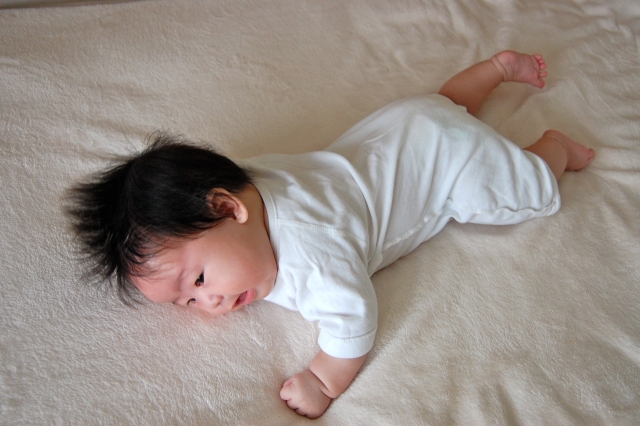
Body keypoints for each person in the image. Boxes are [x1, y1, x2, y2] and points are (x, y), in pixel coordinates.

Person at [64, 51, 595, 418]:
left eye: (199, 279)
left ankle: (551, 152)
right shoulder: (249, 179)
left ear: (227, 208)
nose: (210, 303)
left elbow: (355, 316)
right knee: (445, 108)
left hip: (449, 165)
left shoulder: (311, 258)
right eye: (187, 301)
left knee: (513, 196)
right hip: (403, 124)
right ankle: (494, 70)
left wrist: (323, 380)